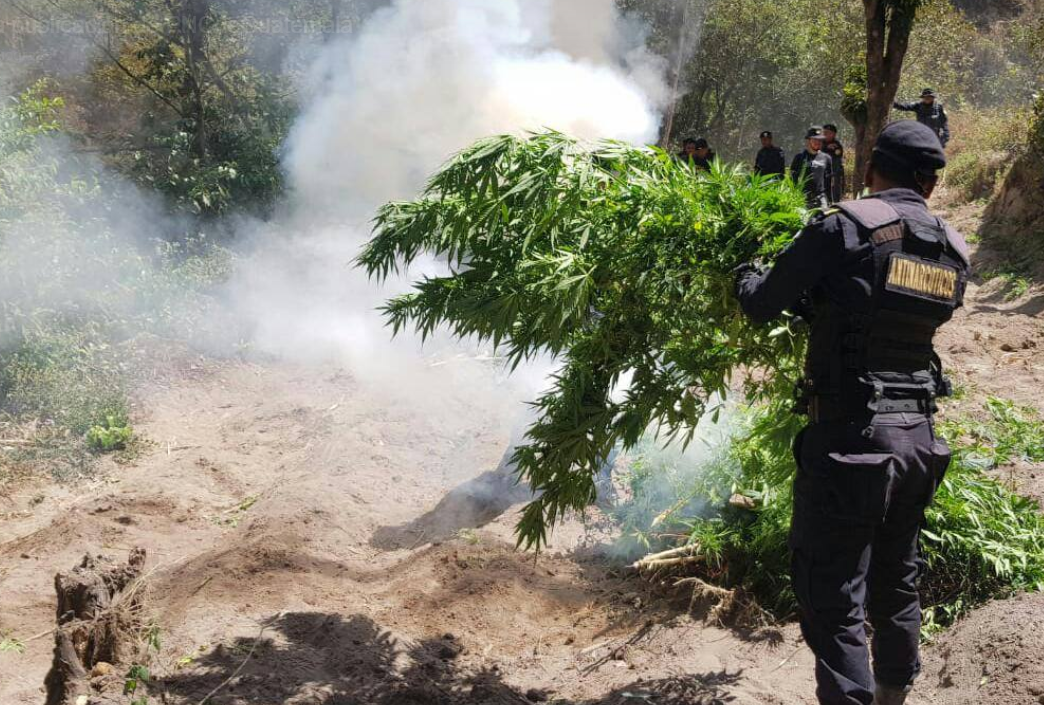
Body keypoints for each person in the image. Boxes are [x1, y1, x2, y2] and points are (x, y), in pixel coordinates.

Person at [734, 120, 971, 705]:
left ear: (869, 169)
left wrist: (742, 268)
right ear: (930, 184)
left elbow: (765, 302)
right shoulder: (952, 249)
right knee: (898, 577)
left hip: (851, 439)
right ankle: (894, 696)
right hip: (919, 439)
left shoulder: (845, 227)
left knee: (833, 592)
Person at [790, 127, 834, 209]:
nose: (817, 142)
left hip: (821, 199)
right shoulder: (799, 158)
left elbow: (828, 182)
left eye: (820, 140)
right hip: (803, 200)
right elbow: (792, 180)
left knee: (824, 220)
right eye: (814, 140)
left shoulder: (827, 158)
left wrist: (830, 202)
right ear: (808, 140)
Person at [821, 124, 845, 202]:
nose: (825, 135)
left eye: (827, 133)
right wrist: (825, 148)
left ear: (833, 134)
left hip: (833, 173)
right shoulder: (819, 143)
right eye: (824, 132)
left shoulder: (836, 145)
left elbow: (837, 158)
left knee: (834, 192)